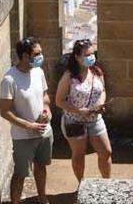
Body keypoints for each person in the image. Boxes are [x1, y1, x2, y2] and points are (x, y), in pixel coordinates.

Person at [0, 38, 53, 204]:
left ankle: (42, 199)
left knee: (41, 166)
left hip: (44, 131)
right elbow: (5, 111)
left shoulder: (39, 72)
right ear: (24, 56)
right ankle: (15, 201)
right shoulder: (9, 79)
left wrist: (47, 110)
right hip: (23, 137)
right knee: (21, 173)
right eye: (37, 54)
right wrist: (29, 126)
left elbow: (45, 96)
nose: (41, 56)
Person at [55, 39, 112, 186]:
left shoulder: (97, 72)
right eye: (87, 55)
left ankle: (107, 184)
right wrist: (78, 111)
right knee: (79, 154)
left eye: (92, 53)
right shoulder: (69, 77)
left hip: (95, 119)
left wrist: (100, 104)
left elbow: (103, 91)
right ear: (77, 57)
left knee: (106, 152)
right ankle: (81, 185)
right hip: (74, 121)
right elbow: (59, 101)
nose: (91, 57)